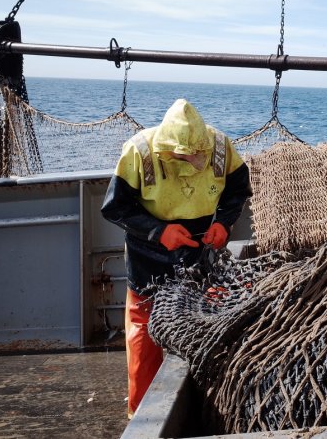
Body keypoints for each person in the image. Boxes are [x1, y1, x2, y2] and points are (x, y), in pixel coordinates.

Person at [101, 98, 251, 418]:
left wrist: (224, 223)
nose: (192, 161)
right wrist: (158, 231)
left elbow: (238, 190)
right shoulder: (138, 151)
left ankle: (208, 400)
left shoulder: (222, 147)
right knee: (143, 325)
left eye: (198, 155)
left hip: (200, 248)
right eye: (184, 156)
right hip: (147, 251)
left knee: (208, 316)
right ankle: (140, 412)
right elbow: (115, 208)